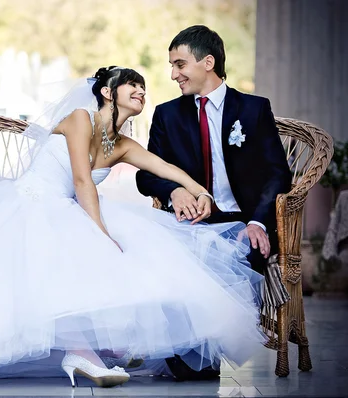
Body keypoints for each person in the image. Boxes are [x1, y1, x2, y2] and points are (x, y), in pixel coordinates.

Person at [0, 66, 265, 388]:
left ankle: (108, 345)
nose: (142, 91)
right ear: (108, 91)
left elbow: (165, 168)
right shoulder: (80, 118)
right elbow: (83, 181)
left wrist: (201, 192)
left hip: (69, 207)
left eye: (144, 88)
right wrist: (100, 233)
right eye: (132, 85)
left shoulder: (121, 144)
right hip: (31, 205)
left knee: (139, 245)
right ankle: (87, 349)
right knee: (92, 244)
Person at [135, 25, 292, 380]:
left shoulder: (253, 109)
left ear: (208, 62)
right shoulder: (167, 115)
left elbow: (277, 175)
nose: (173, 74)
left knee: (232, 255)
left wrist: (260, 223)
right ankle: (186, 353)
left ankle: (203, 354)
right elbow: (145, 176)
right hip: (190, 224)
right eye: (172, 66)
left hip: (245, 223)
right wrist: (174, 191)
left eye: (180, 64)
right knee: (157, 253)